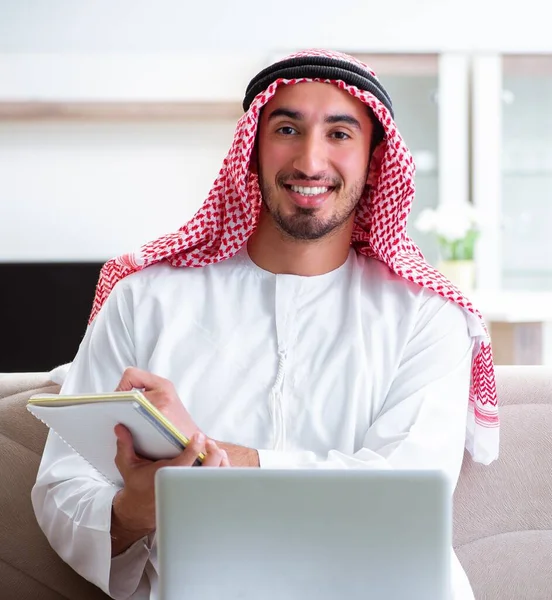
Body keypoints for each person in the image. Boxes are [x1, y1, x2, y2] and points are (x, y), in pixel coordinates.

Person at [32, 49, 499, 600]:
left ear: (376, 161)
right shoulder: (144, 300)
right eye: (287, 128)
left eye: (341, 134)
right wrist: (132, 511)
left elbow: (402, 491)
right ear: (251, 148)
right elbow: (63, 484)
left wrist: (209, 463)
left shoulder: (427, 314)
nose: (310, 160)